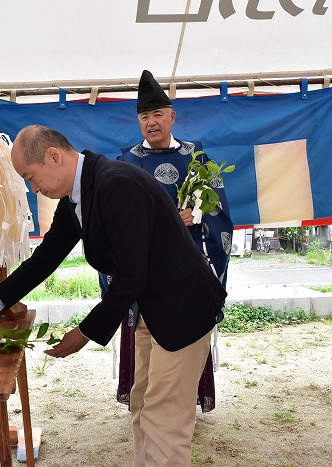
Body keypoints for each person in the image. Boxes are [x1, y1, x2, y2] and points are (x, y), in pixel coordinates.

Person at [0, 124, 227, 466]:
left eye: (31, 176)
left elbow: (130, 275)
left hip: (182, 309)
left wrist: (84, 332)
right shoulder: (78, 196)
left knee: (166, 418)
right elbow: (46, 258)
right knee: (143, 404)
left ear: (53, 156)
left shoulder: (117, 184)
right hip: (153, 309)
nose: (32, 187)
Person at [104, 70, 234, 412]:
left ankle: (184, 401)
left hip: (186, 270)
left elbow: (219, 211)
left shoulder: (198, 158)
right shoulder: (126, 163)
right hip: (144, 275)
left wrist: (198, 213)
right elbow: (114, 222)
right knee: (147, 346)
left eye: (158, 114)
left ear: (172, 116)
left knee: (188, 335)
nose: (151, 122)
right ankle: (146, 405)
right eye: (144, 116)